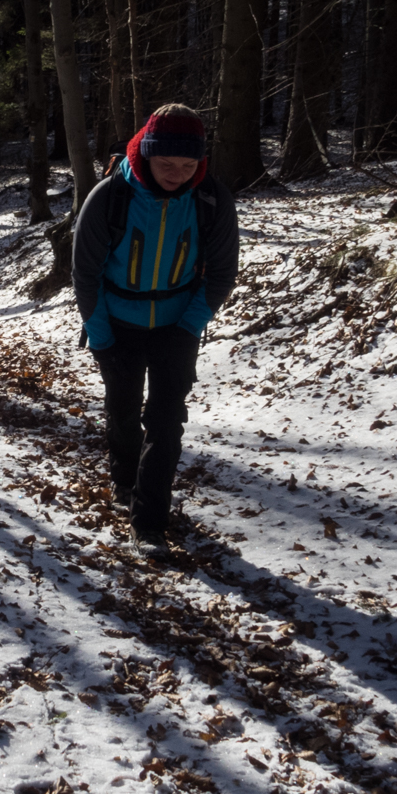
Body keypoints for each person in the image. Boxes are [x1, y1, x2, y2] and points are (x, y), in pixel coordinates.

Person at [71, 105, 239, 553]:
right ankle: (124, 481)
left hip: (176, 327)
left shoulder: (212, 200)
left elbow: (222, 274)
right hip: (117, 325)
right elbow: (84, 274)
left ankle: (148, 523)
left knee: (166, 423)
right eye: (167, 163)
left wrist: (188, 327)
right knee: (123, 409)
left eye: (188, 165)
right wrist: (101, 334)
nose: (178, 174)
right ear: (145, 154)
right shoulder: (110, 196)